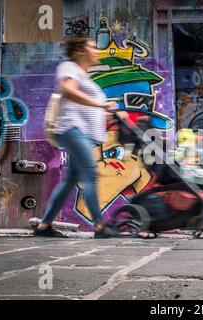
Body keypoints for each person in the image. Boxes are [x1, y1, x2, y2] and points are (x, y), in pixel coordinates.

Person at [34, 36, 127, 238]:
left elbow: (86, 105)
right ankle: (100, 226)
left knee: (69, 181)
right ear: (78, 51)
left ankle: (44, 226)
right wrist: (101, 105)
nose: (97, 51)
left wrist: (112, 112)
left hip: (82, 133)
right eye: (92, 47)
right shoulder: (70, 67)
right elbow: (68, 90)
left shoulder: (85, 77)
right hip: (72, 130)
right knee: (90, 176)